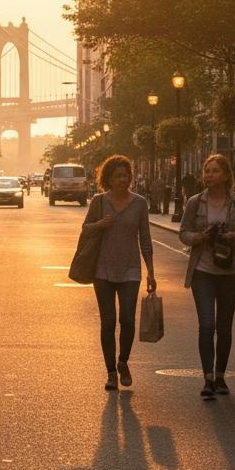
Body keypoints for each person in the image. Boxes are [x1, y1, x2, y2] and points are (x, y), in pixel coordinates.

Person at [179, 154, 235, 399]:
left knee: (224, 326)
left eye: (214, 171)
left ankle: (221, 376)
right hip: (203, 270)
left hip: (230, 271)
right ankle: (207, 379)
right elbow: (184, 232)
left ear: (226, 175)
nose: (209, 175)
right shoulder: (195, 202)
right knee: (207, 324)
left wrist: (233, 238)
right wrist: (199, 237)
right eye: (206, 171)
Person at [83, 155, 155, 391]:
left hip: (131, 270)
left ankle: (123, 361)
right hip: (102, 269)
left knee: (126, 319)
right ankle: (111, 372)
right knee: (108, 321)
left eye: (125, 176)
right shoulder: (99, 201)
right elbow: (85, 229)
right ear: (108, 179)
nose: (122, 180)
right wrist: (99, 225)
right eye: (117, 176)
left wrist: (151, 272)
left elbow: (145, 238)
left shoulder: (139, 203)